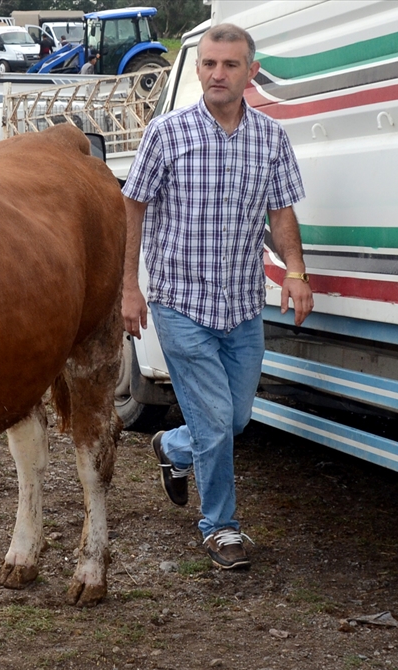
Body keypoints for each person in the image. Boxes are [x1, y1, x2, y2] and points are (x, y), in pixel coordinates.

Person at [121, 23, 312, 571]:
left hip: (242, 306)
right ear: (199, 68)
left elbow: (281, 212)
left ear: (251, 72)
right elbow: (131, 209)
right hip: (181, 304)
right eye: (208, 64)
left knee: (235, 419)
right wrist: (129, 288)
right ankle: (220, 527)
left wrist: (295, 270)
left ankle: (172, 448)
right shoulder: (167, 132)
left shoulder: (270, 138)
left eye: (230, 65)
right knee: (216, 419)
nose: (217, 74)